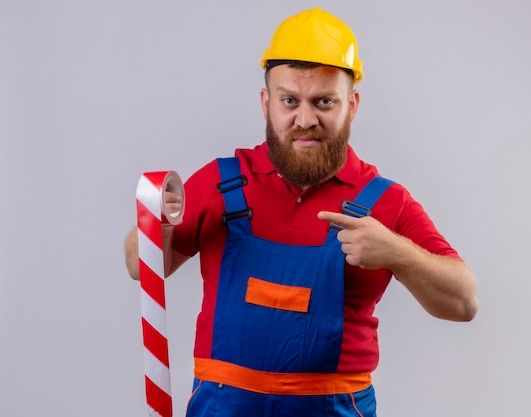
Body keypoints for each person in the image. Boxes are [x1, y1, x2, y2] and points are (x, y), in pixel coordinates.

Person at [124, 7, 478, 417]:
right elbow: (140, 265)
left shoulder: (384, 201)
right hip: (223, 406)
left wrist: (396, 251)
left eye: (324, 102)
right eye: (289, 100)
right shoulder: (221, 181)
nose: (305, 119)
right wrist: (158, 225)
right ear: (266, 102)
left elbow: (464, 301)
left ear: (352, 105)